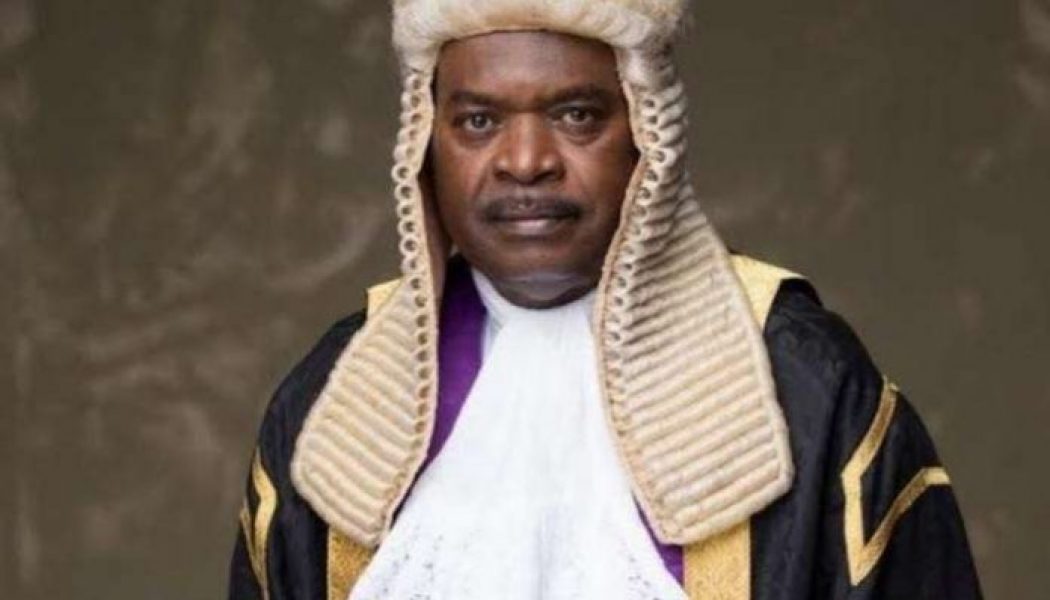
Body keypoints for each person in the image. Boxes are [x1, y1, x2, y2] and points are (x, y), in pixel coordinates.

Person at [229, 1, 982, 598]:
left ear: (650, 134)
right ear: (425, 146)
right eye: (479, 121)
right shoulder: (335, 396)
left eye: (576, 115)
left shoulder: (808, 384)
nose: (526, 161)